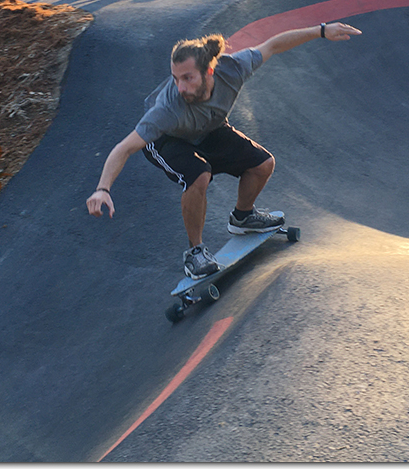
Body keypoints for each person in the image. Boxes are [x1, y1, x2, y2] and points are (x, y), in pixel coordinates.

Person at [87, 21, 362, 279]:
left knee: (263, 164)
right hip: (166, 141)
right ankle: (195, 252)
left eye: (188, 78)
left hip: (210, 129)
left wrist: (321, 30)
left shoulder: (233, 68)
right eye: (175, 78)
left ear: (209, 71)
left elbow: (273, 44)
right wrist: (103, 188)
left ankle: (243, 217)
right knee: (199, 174)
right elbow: (123, 148)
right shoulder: (167, 108)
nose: (181, 87)